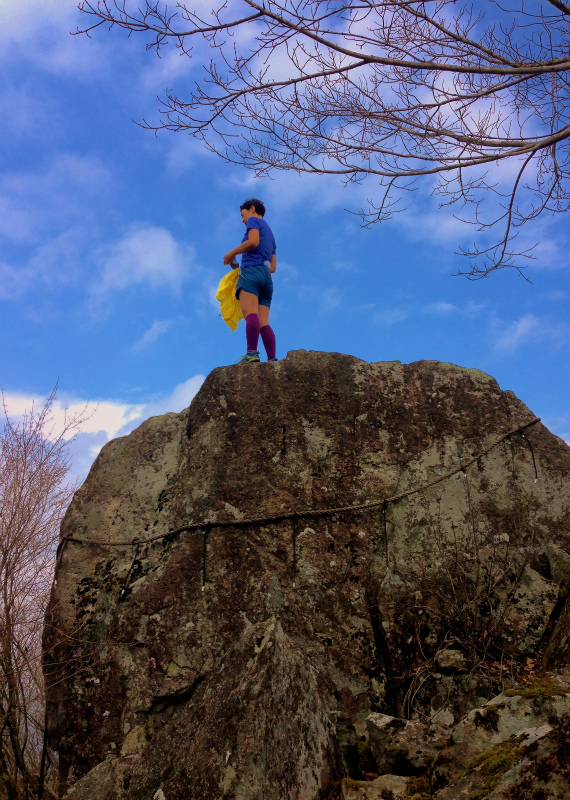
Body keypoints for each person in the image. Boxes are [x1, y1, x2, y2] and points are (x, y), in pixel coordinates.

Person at [223, 198, 277, 364]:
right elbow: (273, 267)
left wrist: (231, 254)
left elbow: (253, 242)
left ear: (252, 209)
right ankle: (272, 359)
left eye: (242, 214)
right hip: (266, 279)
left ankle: (252, 354)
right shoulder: (271, 235)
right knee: (264, 321)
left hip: (251, 273)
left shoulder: (254, 221)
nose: (242, 219)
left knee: (250, 313)